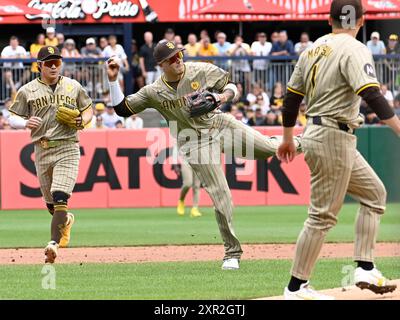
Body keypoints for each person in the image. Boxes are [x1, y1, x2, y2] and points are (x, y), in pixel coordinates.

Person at [106, 40, 301, 270]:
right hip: (193, 141)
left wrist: (221, 98)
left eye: (179, 55)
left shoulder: (200, 69)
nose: (178, 60)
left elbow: (231, 85)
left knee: (269, 149)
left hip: (219, 124)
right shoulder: (153, 92)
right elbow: (122, 109)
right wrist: (112, 80)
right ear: (161, 64)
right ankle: (232, 253)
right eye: (172, 58)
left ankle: (303, 142)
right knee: (221, 192)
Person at [277, 0, 400, 300]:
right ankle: (296, 288)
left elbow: (291, 99)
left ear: (330, 19)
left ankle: (365, 266)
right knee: (321, 217)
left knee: (374, 194)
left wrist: (287, 137)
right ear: (361, 20)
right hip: (333, 134)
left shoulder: (313, 48)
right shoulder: (356, 48)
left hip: (325, 133)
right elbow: (371, 93)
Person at [8, 46, 93, 264]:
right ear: (39, 66)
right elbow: (12, 117)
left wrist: (83, 121)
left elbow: (88, 108)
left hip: (68, 146)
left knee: (60, 196)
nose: (54, 66)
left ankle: (52, 244)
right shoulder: (27, 90)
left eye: (57, 62)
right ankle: (66, 221)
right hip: (42, 148)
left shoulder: (73, 86)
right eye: (49, 63)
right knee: (51, 205)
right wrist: (24, 123)